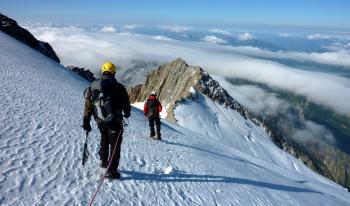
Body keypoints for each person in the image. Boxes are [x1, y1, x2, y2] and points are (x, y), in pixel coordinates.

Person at [82, 62, 131, 179]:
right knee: (115, 145)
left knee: (104, 138)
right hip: (115, 121)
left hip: (100, 120)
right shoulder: (119, 87)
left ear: (103, 71)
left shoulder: (93, 87)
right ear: (114, 72)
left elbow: (88, 106)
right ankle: (112, 171)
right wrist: (127, 114)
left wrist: (86, 121)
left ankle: (104, 161)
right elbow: (126, 104)